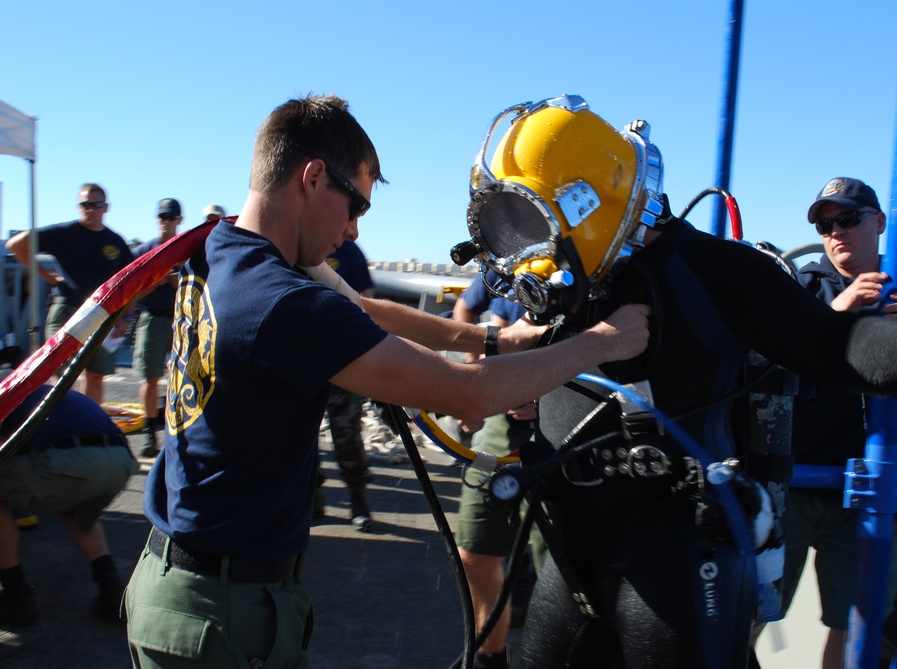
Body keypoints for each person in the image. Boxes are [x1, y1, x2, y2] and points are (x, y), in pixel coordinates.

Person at [451, 94, 897, 669]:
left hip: (674, 562)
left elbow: (846, 348)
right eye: (509, 228)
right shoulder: (572, 281)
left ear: (591, 200)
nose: (526, 254)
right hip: (569, 558)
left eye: (529, 222)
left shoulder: (717, 270)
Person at [122, 94, 650, 669]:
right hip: (220, 614)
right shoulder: (277, 302)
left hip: (185, 582)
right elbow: (464, 393)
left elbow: (361, 310)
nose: (351, 231)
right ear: (313, 176)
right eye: (356, 208)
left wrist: (495, 341)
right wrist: (607, 341)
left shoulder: (224, 246)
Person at [769, 177, 897, 669]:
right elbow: (762, 375)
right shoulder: (798, 289)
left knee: (856, 627)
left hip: (871, 492)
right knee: (750, 610)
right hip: (792, 482)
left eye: (848, 218)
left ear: (880, 223)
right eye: (825, 225)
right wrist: (833, 316)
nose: (835, 232)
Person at [0, 383, 140, 626]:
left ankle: (16, 597)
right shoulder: (38, 384)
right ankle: (112, 593)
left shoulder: (7, 393)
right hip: (120, 460)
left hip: (70, 460)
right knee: (73, 505)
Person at [453, 270, 534, 669]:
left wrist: (551, 395)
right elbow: (465, 308)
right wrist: (476, 376)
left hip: (570, 418)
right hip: (502, 426)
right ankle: (490, 660)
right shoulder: (507, 262)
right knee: (475, 550)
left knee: (563, 563)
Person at [5, 184, 135, 405]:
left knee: (96, 375)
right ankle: (62, 428)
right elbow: (16, 244)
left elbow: (131, 282)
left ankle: (89, 426)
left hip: (101, 315)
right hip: (67, 312)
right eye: (85, 204)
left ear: (106, 208)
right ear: (79, 207)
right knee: (64, 376)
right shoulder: (65, 233)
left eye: (96, 205)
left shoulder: (115, 242)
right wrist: (46, 276)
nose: (91, 209)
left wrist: (125, 317)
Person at [315, 240, 378, 531]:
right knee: (301, 437)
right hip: (303, 361)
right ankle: (312, 497)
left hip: (342, 360)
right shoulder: (294, 246)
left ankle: (358, 496)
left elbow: (366, 298)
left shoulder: (349, 252)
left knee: (347, 431)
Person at [131, 198, 184, 458]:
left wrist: (176, 284)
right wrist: (160, 280)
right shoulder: (145, 251)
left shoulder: (188, 249)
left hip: (181, 317)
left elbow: (198, 287)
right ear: (156, 219)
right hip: (152, 318)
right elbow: (136, 292)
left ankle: (176, 432)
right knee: (150, 377)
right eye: (162, 217)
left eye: (171, 217)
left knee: (181, 377)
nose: (166, 222)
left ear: (179, 220)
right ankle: (150, 433)